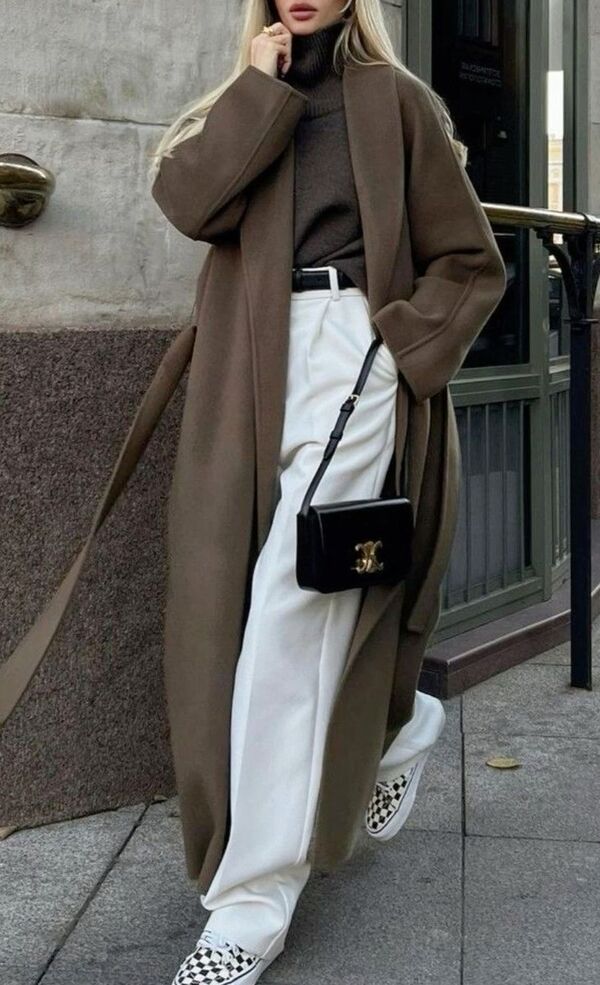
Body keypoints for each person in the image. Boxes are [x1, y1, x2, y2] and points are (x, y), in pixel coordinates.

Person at [147, 2, 506, 983]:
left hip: (354, 356)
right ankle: (397, 724)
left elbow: (468, 260)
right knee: (221, 610)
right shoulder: (245, 95)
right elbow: (191, 205)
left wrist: (397, 350)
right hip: (243, 364)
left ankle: (251, 902)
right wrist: (258, 90)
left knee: (291, 605)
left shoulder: (394, 101)